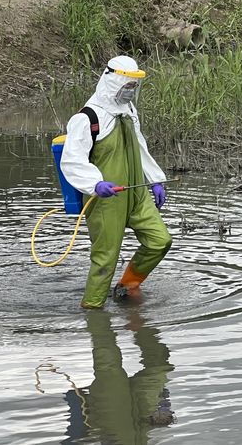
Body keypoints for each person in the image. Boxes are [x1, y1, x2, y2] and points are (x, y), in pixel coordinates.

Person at [61, 55, 172, 309]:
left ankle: (128, 284)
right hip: (105, 199)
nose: (131, 91)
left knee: (160, 240)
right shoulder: (87, 118)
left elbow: (139, 145)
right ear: (112, 81)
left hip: (136, 195)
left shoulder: (129, 111)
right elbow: (72, 160)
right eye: (127, 86)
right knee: (105, 259)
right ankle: (92, 310)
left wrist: (155, 180)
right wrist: (95, 184)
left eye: (134, 87)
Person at [63, 310, 175, 444]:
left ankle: (95, 310)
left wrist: (78, 407)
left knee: (107, 359)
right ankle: (135, 313)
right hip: (146, 420)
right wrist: (163, 402)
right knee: (159, 365)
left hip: (110, 422)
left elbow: (72, 441)